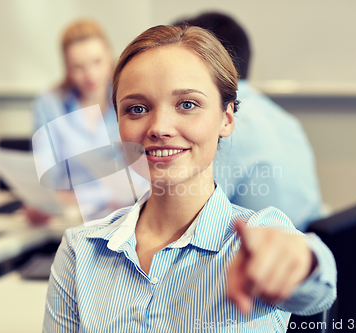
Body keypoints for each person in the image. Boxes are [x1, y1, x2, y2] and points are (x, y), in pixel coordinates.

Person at [43, 25, 336, 332]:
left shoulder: (254, 238)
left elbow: (318, 292)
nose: (159, 127)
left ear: (226, 118)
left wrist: (304, 262)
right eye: (137, 109)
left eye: (187, 105)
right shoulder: (80, 250)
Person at [175, 13, 323, 231]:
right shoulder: (282, 117)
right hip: (305, 236)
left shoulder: (225, 126)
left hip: (263, 249)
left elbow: (190, 213)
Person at [28, 19, 121, 225]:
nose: (90, 75)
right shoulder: (49, 103)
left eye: (97, 62)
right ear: (67, 68)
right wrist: (47, 199)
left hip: (122, 214)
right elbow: (47, 174)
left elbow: (139, 180)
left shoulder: (128, 99)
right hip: (67, 219)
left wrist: (77, 197)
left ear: (110, 57)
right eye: (78, 67)